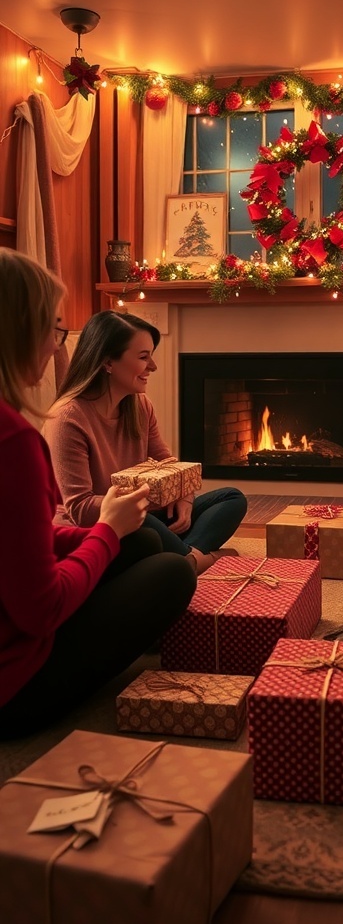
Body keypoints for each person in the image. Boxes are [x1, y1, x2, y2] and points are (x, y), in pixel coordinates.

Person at [0, 249, 196, 738]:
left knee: (147, 540)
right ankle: (192, 557)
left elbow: (17, 548)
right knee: (169, 569)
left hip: (124, 521)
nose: (54, 345)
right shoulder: (21, 437)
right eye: (53, 328)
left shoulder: (138, 406)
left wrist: (167, 499)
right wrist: (105, 533)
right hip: (11, 687)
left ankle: (186, 549)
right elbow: (40, 607)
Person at [44, 310, 248, 575]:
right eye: (143, 357)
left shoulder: (140, 406)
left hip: (145, 515)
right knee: (144, 528)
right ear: (107, 361)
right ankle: (191, 559)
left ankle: (188, 560)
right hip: (99, 528)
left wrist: (184, 498)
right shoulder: (67, 418)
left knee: (231, 498)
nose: (153, 366)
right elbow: (81, 508)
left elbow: (169, 465)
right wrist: (134, 504)